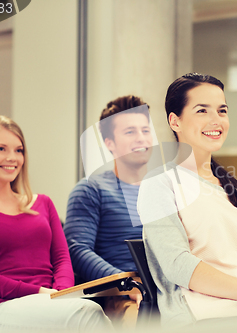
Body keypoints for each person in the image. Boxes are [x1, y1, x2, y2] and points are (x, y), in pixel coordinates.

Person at [137, 73, 237, 328]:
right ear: (175, 121)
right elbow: (177, 265)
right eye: (202, 110)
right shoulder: (159, 184)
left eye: (222, 110)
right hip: (204, 320)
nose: (216, 120)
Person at [0, 115, 114, 332]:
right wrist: (40, 293)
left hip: (53, 303)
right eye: (1, 149)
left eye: (19, 150)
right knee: (87, 314)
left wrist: (61, 295)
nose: (13, 157)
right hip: (1, 308)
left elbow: (62, 260)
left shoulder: (43, 203)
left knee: (86, 311)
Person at [64, 96, 152, 325]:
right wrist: (125, 283)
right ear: (109, 143)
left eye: (145, 130)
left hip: (166, 288)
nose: (141, 138)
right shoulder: (90, 189)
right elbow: (77, 250)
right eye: (130, 132)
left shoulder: (165, 191)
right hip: (120, 295)